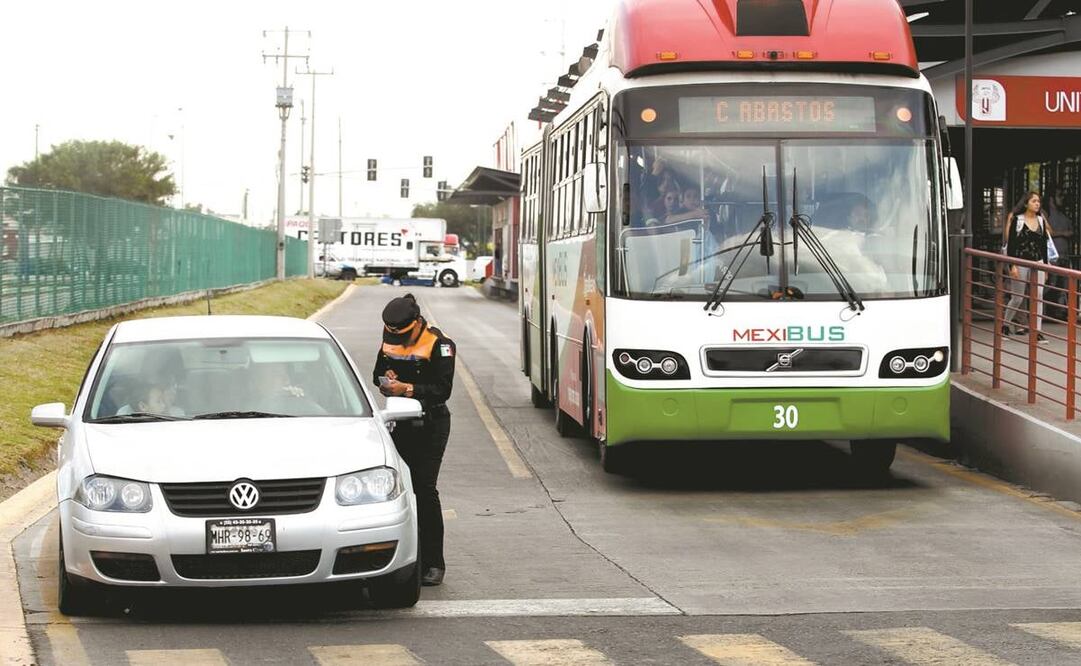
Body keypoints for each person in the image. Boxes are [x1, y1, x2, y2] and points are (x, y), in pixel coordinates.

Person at [373, 293, 455, 587]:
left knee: (424, 488)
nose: (397, 339)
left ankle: (434, 563)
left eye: (404, 334)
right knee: (398, 489)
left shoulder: (440, 345)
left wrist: (406, 388)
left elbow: (442, 390)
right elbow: (377, 374)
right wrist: (387, 381)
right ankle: (404, 559)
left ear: (417, 323)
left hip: (431, 424)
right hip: (399, 423)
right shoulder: (390, 336)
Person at [1002, 191, 1052, 343]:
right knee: (1017, 297)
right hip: (1020, 262)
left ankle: (1037, 331)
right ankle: (1005, 325)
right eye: (1034, 201)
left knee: (1039, 297)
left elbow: (1044, 245)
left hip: (1038, 262)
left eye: (1038, 201)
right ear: (1026, 204)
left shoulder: (1041, 221)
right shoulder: (1018, 220)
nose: (1037, 204)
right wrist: (1013, 266)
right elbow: (1012, 246)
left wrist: (1046, 264)